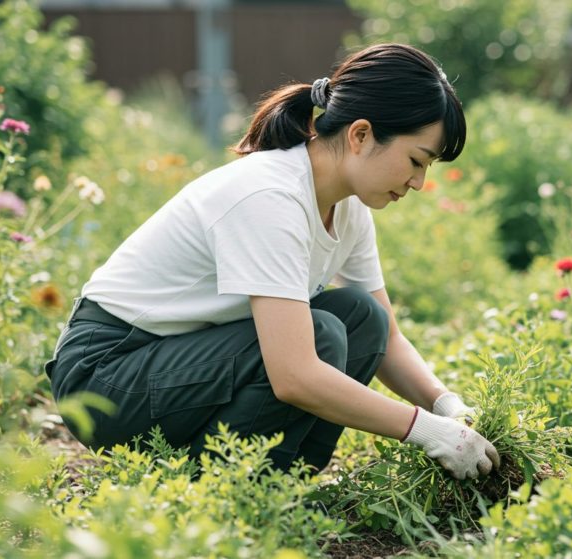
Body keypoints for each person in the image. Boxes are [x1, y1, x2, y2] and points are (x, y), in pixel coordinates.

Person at [44, 43, 499, 481]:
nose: (419, 182)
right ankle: (231, 486)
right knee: (319, 338)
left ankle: (280, 481)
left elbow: (388, 338)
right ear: (361, 135)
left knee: (363, 318)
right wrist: (424, 430)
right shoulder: (270, 197)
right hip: (105, 376)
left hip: (173, 362)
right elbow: (294, 375)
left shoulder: (348, 208)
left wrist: (448, 408)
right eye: (416, 161)